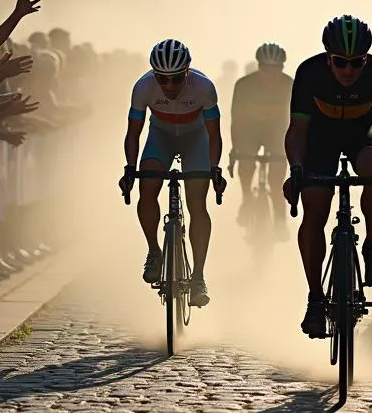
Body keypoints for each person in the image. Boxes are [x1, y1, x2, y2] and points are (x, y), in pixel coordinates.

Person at [284, 16, 372, 338]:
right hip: (319, 137)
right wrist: (296, 169)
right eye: (340, 62)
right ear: (328, 58)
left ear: (366, 59)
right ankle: (314, 298)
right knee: (315, 205)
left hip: (362, 131)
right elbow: (297, 131)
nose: (348, 70)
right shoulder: (309, 73)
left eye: (356, 63)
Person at [120, 40, 225, 307]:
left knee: (197, 203)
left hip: (196, 139)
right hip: (161, 137)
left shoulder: (204, 87)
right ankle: (154, 251)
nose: (169, 86)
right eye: (162, 79)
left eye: (177, 79)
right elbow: (134, 133)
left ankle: (198, 275)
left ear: (187, 72)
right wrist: (130, 169)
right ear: (153, 74)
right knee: (148, 187)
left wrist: (214, 169)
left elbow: (214, 134)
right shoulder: (143, 87)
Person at [230, 43, 292, 237]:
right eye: (266, 69)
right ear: (259, 67)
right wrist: (236, 149)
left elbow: (295, 121)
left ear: (282, 68)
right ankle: (247, 199)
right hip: (250, 130)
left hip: (278, 132)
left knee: (276, 180)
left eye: (276, 69)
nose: (271, 74)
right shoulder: (244, 85)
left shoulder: (289, 85)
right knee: (247, 163)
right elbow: (237, 120)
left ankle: (280, 219)